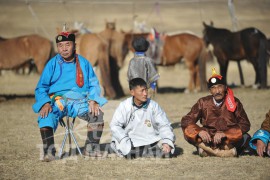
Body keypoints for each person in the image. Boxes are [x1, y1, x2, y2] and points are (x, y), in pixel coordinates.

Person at [32, 31, 107, 162]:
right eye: (60, 45)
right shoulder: (52, 64)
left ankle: (90, 148)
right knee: (45, 116)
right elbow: (41, 87)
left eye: (68, 44)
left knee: (97, 115)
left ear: (74, 45)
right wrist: (45, 103)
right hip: (57, 102)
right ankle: (49, 152)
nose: (64, 48)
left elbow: (94, 84)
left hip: (80, 102)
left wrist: (94, 100)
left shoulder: (84, 63)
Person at [181, 68, 251, 157]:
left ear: (225, 87)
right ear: (210, 90)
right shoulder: (203, 102)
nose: (217, 91)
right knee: (188, 130)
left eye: (219, 86)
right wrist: (199, 132)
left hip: (227, 139)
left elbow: (245, 124)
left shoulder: (234, 102)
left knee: (244, 136)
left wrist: (225, 134)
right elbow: (186, 120)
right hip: (208, 139)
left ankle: (206, 150)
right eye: (213, 88)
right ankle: (225, 153)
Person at [110, 78, 175, 158]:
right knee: (120, 145)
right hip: (131, 142)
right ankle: (142, 153)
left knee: (165, 147)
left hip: (152, 140)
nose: (145, 94)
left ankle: (144, 152)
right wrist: (124, 139)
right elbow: (115, 125)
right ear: (132, 92)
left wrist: (166, 142)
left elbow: (164, 125)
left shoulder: (153, 106)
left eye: (146, 90)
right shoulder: (124, 106)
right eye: (142, 91)